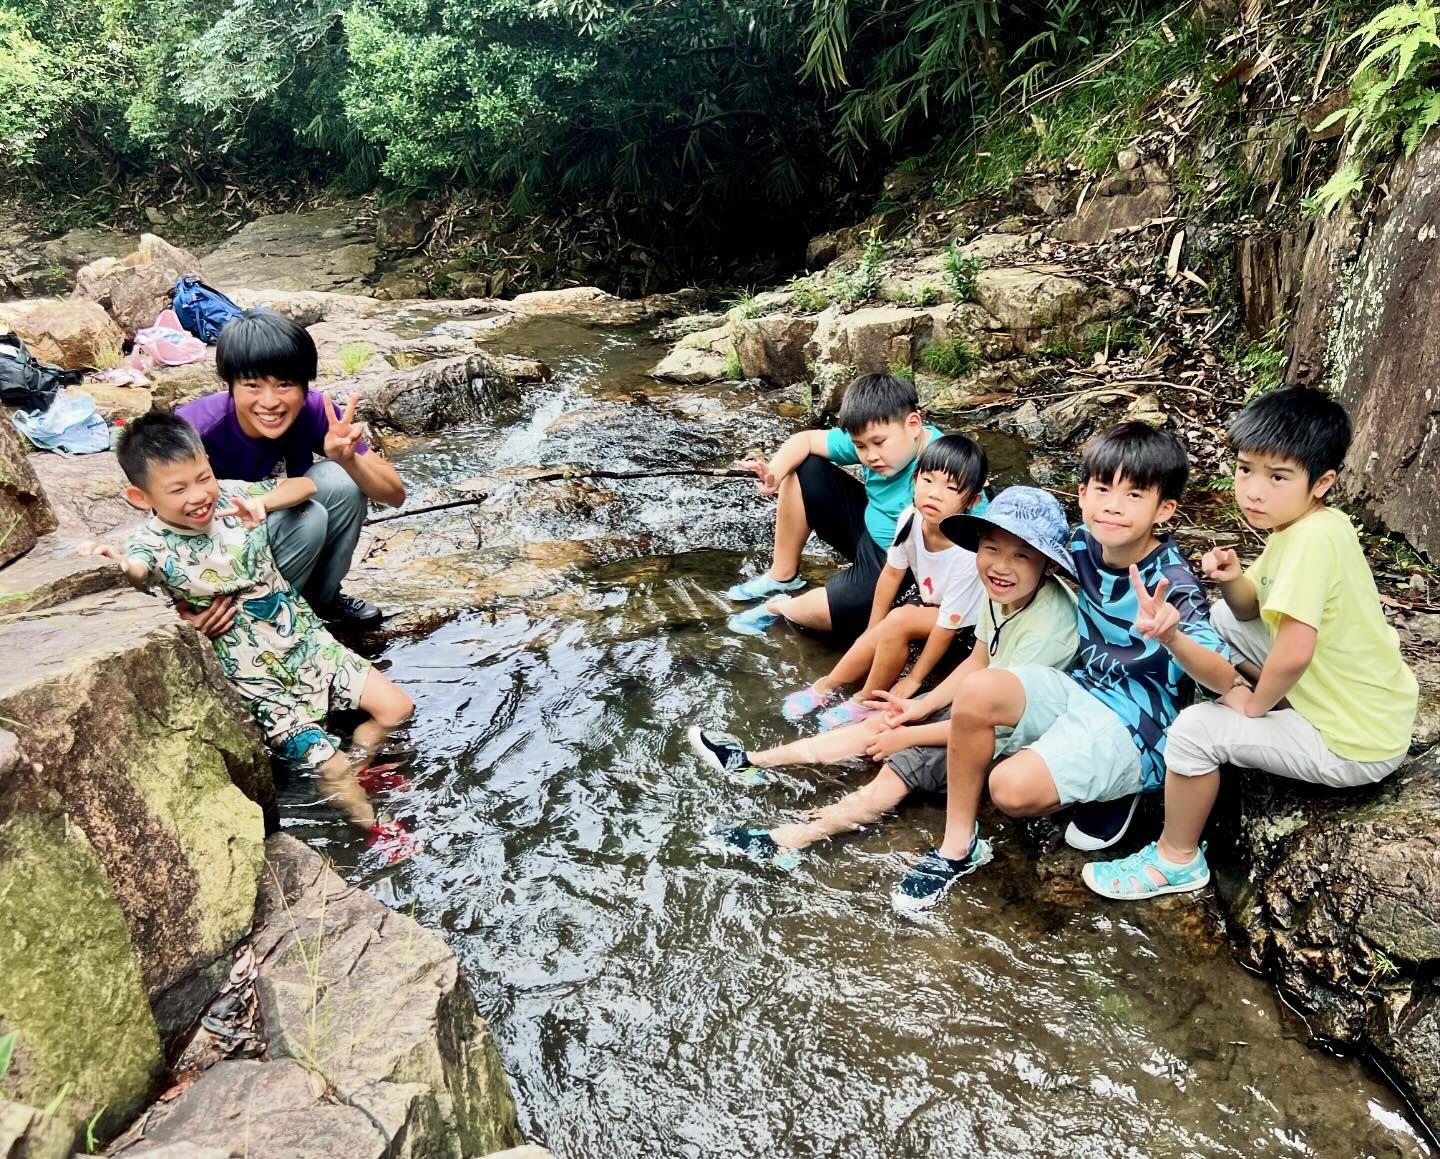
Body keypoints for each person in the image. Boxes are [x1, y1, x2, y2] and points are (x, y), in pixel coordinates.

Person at [1083, 389, 1418, 900]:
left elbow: (1296, 650)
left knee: (1195, 731)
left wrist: (1252, 707)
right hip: (1370, 708)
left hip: (1351, 742)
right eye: (1245, 470)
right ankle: (1270, 705)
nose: (1254, 491)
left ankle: (1176, 859)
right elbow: (1247, 613)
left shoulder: (1309, 541)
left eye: (1277, 477)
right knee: (1220, 616)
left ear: (1322, 482)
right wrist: (1234, 578)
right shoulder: (1310, 525)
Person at [890, 422, 1237, 912]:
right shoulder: (1078, 545)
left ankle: (1129, 785)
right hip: (1075, 688)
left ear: (1165, 511)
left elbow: (1223, 679)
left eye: (1134, 494)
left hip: (1137, 722)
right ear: (1082, 493)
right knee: (979, 690)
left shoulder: (1173, 581)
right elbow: (1010, 544)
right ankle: (957, 847)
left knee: (1008, 789)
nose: (1113, 505)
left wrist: (1172, 635)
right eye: (1102, 489)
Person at [81, 412, 416, 857]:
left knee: (397, 708)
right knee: (330, 767)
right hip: (252, 675)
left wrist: (266, 503)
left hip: (306, 644)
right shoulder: (150, 544)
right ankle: (375, 826)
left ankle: (363, 763)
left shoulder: (232, 496)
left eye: (203, 477)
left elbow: (307, 486)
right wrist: (112, 561)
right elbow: (137, 572)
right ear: (140, 497)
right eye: (177, 489)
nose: (198, 495)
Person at [691, 486, 1079, 866]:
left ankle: (789, 841)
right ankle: (750, 762)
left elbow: (995, 727)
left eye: (1021, 555)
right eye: (991, 548)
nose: (1000, 565)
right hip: (984, 704)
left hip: (1011, 735)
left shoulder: (1047, 629)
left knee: (895, 774)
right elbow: (978, 660)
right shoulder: (1004, 593)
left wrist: (907, 736)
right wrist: (917, 707)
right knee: (885, 719)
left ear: (1050, 565)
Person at [175, 309, 406, 633]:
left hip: (281, 521)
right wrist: (185, 610)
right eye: (252, 385)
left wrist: (349, 459)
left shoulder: (314, 409)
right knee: (309, 517)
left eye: (285, 384)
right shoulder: (196, 430)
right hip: (219, 547)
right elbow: (163, 524)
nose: (270, 402)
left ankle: (321, 601)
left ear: (304, 385)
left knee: (340, 481)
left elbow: (395, 495)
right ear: (230, 385)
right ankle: (255, 622)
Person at [781, 434, 989, 730]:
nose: (935, 494)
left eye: (952, 488)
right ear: (914, 479)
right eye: (927, 481)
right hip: (932, 602)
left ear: (972, 500)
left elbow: (947, 625)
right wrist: (871, 630)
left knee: (900, 619)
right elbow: (891, 573)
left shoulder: (967, 553)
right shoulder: (910, 518)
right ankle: (825, 687)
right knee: (886, 624)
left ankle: (863, 701)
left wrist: (915, 678)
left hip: (966, 624)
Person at [726, 373, 948, 640]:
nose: (870, 456)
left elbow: (976, 532)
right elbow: (805, 441)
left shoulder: (944, 469)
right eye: (860, 447)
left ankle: (778, 607)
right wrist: (774, 473)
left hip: (895, 562)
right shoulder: (874, 437)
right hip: (867, 525)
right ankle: (783, 574)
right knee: (805, 467)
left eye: (878, 443)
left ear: (913, 424)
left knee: (831, 613)